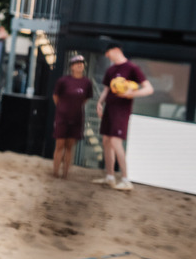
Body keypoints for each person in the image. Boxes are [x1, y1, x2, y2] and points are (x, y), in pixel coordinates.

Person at [94, 42, 154, 191]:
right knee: (106, 141)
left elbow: (149, 89)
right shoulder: (111, 70)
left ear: (116, 50)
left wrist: (132, 93)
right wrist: (100, 103)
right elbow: (106, 90)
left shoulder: (132, 68)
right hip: (109, 109)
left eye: (108, 54)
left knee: (115, 142)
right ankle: (110, 177)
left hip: (122, 111)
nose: (107, 56)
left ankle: (126, 180)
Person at [52, 54, 93, 179]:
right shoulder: (64, 81)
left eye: (81, 62)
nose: (80, 64)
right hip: (62, 117)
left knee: (70, 147)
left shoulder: (87, 82)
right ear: (72, 67)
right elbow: (55, 97)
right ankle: (55, 172)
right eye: (77, 63)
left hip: (77, 118)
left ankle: (65, 174)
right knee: (60, 145)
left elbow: (85, 99)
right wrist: (63, 108)